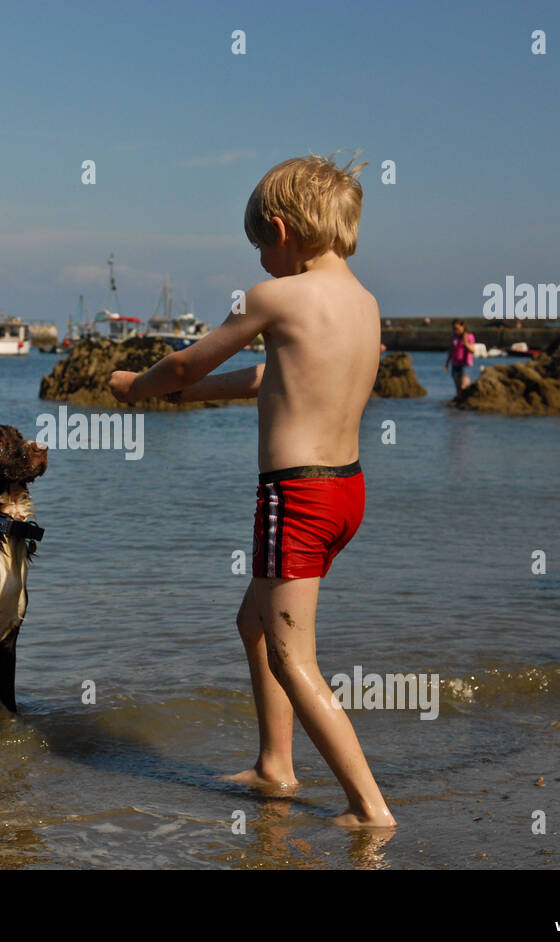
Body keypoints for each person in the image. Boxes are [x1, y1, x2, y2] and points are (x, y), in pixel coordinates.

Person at [108, 154, 395, 828]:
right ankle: (275, 764)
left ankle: (369, 809)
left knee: (295, 657)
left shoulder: (275, 298)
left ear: (279, 229)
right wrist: (183, 399)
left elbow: (184, 362)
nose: (259, 261)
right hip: (345, 495)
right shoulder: (364, 304)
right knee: (254, 624)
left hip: (293, 499)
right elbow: (268, 378)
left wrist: (138, 388)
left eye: (258, 247)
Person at [445, 319, 475, 396]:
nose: (456, 330)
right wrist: (447, 363)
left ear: (463, 326)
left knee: (463, 387)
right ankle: (458, 406)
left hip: (466, 364)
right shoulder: (453, 337)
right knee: (458, 388)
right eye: (454, 329)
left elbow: (472, 351)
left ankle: (466, 402)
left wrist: (465, 342)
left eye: (457, 328)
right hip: (455, 364)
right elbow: (451, 351)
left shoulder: (469, 336)